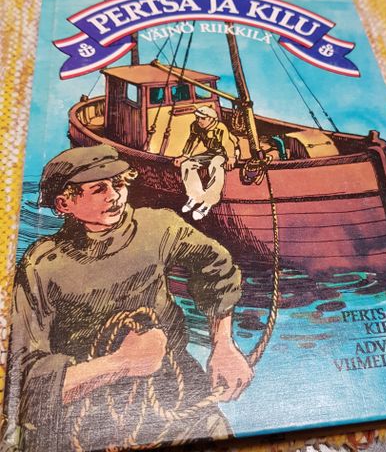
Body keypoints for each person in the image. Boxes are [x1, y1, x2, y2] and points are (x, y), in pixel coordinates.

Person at [2, 145, 253, 452]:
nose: (115, 196)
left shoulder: (158, 227)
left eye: (119, 183)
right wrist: (121, 364)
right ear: (64, 203)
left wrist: (224, 345)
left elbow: (216, 266)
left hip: (170, 384)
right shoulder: (42, 267)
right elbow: (26, 384)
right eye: (99, 189)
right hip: (84, 410)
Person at [173, 105, 238, 220]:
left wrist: (231, 158)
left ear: (211, 119)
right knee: (187, 164)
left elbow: (228, 144)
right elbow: (191, 141)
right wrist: (185, 156)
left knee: (216, 165)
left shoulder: (220, 128)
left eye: (203, 118)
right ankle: (195, 196)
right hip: (212, 152)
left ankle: (208, 202)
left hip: (225, 152)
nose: (199, 120)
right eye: (198, 117)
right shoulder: (195, 126)